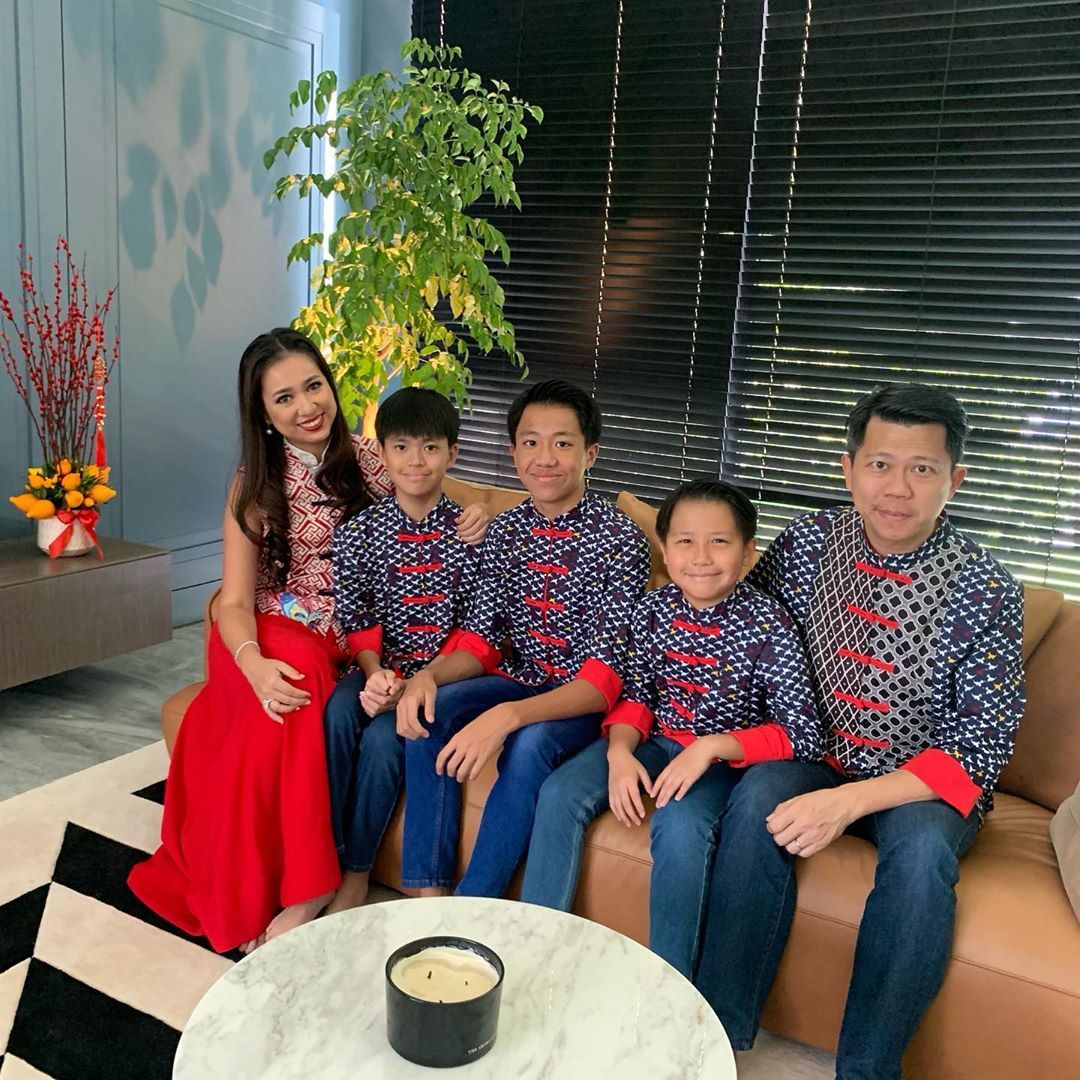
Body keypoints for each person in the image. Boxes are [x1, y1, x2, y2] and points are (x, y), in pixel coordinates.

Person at [694, 384, 1026, 1080]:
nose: (897, 488)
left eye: (922, 468)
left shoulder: (988, 588)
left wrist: (851, 801)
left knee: (922, 863)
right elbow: (750, 632)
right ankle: (716, 1035)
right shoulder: (809, 543)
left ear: (954, 479)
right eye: (879, 464)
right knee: (755, 803)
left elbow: (981, 746)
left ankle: (866, 1071)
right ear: (849, 469)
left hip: (921, 781)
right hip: (817, 752)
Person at [520, 479, 820, 977]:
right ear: (665, 548)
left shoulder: (770, 623)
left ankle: (669, 989)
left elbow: (801, 732)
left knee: (680, 826)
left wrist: (712, 748)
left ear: (748, 552)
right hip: (654, 743)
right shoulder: (653, 610)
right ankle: (536, 948)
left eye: (719, 541)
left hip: (726, 762)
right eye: (684, 541)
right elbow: (636, 696)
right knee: (559, 792)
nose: (700, 556)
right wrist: (619, 753)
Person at [394, 379, 652, 898]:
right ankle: (429, 893)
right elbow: (480, 642)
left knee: (529, 742)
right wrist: (426, 676)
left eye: (563, 442)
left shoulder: (621, 539)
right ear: (513, 451)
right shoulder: (506, 530)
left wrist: (507, 716)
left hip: (581, 702)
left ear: (590, 453)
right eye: (531, 442)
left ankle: (475, 903)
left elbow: (602, 682)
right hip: (520, 680)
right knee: (429, 709)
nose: (545, 457)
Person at [322, 387, 481, 913]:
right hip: (372, 669)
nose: (416, 461)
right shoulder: (358, 533)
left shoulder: (472, 535)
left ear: (452, 454)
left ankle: (356, 872)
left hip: (438, 678)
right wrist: (373, 676)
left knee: (386, 744)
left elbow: (475, 629)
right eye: (403, 447)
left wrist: (415, 684)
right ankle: (320, 861)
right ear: (383, 453)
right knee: (338, 712)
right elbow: (356, 617)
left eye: (431, 447)